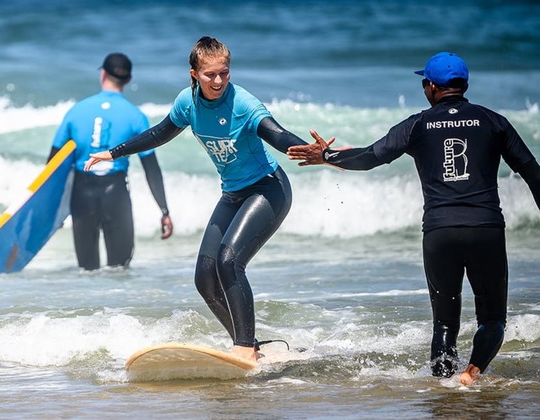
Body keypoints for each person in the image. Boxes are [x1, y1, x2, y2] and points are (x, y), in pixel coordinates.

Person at [287, 52, 540, 385]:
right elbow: (532, 173)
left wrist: (327, 155)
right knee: (492, 320)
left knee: (445, 323)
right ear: (464, 85)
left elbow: (369, 158)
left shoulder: (417, 125)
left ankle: (444, 388)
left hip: (439, 233)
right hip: (486, 230)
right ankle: (472, 373)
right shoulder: (493, 121)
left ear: (431, 87)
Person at [85, 36, 321, 362]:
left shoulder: (242, 103)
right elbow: (159, 133)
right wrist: (113, 153)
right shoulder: (188, 103)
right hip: (234, 193)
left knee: (229, 261)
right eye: (211, 74)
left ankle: (244, 348)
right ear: (195, 73)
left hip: (268, 189)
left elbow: (275, 133)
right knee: (205, 278)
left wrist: (312, 151)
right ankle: (247, 344)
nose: (219, 81)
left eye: (224, 72)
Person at [50, 52, 173, 271]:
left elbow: (53, 165)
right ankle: (117, 307)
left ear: (103, 74)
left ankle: (90, 307)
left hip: (81, 194)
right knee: (120, 271)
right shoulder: (136, 116)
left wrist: (54, 211)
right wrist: (164, 211)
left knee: (87, 271)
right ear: (128, 80)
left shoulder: (76, 111)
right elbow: (151, 168)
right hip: (116, 193)